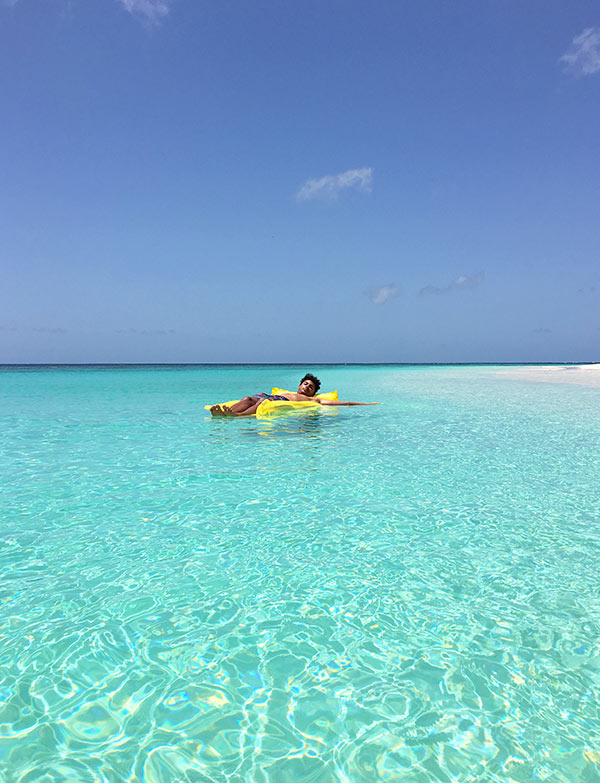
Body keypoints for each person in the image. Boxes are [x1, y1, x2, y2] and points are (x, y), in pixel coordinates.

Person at [210, 373, 379, 416]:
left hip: (276, 401)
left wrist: (366, 405)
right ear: (299, 386)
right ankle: (228, 411)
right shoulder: (287, 391)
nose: (307, 388)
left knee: (260, 405)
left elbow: (345, 403)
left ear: (314, 392)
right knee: (248, 399)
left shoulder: (315, 399)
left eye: (311, 387)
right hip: (267, 395)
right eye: (305, 384)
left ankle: (235, 416)